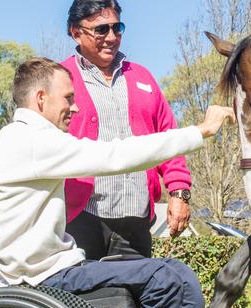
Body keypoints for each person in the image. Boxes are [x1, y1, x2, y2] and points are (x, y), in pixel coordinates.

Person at [0, 57, 233, 308]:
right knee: (163, 277)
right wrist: (200, 132)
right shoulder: (34, 142)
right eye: (68, 98)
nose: (75, 107)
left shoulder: (10, 146)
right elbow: (116, 155)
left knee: (182, 275)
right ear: (41, 99)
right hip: (43, 280)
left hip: (47, 272)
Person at [62, 0, 192, 260]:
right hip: (80, 217)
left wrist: (179, 192)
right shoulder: (61, 77)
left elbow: (169, 139)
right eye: (101, 30)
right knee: (80, 299)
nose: (111, 37)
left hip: (136, 218)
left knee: (132, 298)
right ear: (76, 32)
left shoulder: (142, 77)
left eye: (117, 28)